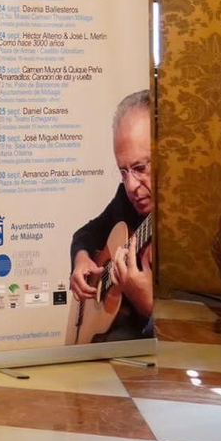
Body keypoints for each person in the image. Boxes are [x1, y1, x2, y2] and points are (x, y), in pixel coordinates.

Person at [67, 90, 155, 342]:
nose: (131, 186)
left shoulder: (187, 220)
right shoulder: (126, 200)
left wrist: (148, 306)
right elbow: (87, 233)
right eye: (123, 172)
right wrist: (81, 259)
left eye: (140, 168)